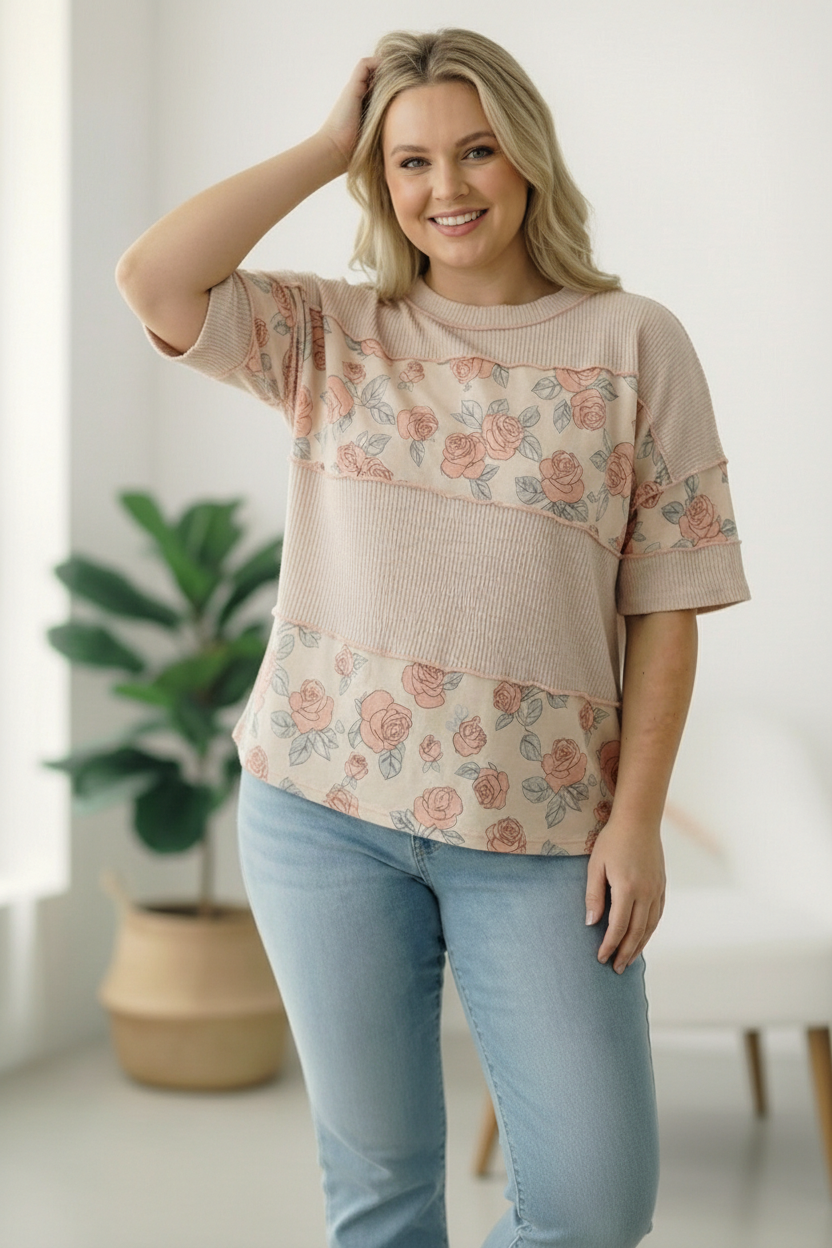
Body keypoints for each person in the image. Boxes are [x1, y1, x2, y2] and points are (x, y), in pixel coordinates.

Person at [117, 27, 750, 1248]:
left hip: (544, 832)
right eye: (409, 162)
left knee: (593, 1203)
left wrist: (635, 822)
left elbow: (666, 604)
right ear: (380, 179)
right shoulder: (330, 332)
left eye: (475, 151)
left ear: (528, 156)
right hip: (322, 814)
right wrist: (325, 145)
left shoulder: (635, 343)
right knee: (382, 1198)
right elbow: (153, 279)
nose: (446, 188)